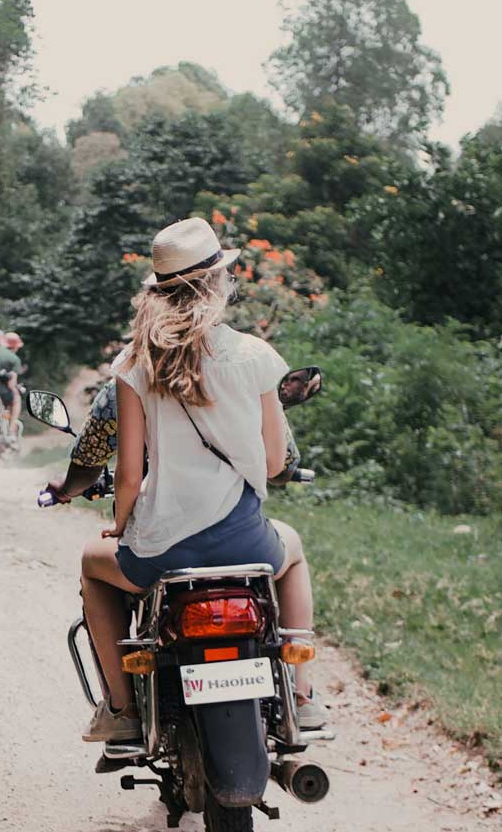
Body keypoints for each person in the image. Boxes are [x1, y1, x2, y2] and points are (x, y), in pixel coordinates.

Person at [75, 217, 323, 743]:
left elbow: (129, 473)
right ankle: (302, 697)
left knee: (92, 565)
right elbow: (274, 462)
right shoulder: (256, 356)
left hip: (163, 552)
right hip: (246, 543)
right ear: (218, 283)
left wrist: (119, 525)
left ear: (158, 292)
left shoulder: (134, 364)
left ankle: (122, 708)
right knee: (295, 550)